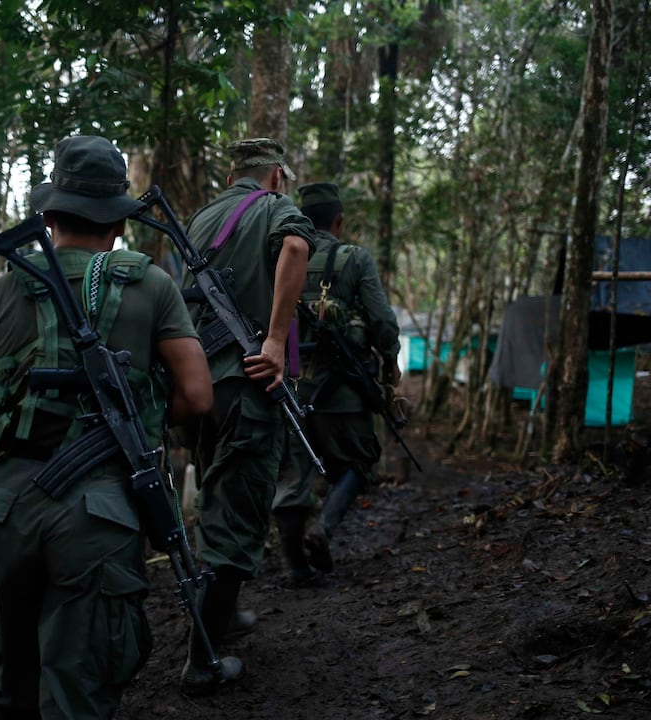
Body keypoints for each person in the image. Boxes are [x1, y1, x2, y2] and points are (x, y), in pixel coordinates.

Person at [0, 135, 213, 720]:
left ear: (49, 214)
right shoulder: (151, 285)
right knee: (76, 695)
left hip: (2, 512)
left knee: (13, 685)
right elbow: (198, 396)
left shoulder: (1, 289)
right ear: (120, 220)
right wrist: (139, 416)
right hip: (99, 515)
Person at [178, 137, 316, 695]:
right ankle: (201, 662)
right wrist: (278, 339)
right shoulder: (275, 208)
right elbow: (297, 250)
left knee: (215, 497)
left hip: (195, 387)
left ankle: (224, 614)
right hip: (247, 381)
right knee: (236, 512)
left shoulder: (199, 217)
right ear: (277, 176)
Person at [271, 182, 401, 582]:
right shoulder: (352, 259)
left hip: (288, 384)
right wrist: (390, 361)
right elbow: (380, 318)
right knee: (359, 461)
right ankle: (322, 529)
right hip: (342, 387)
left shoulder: (279, 256)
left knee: (295, 474)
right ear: (338, 220)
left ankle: (296, 567)